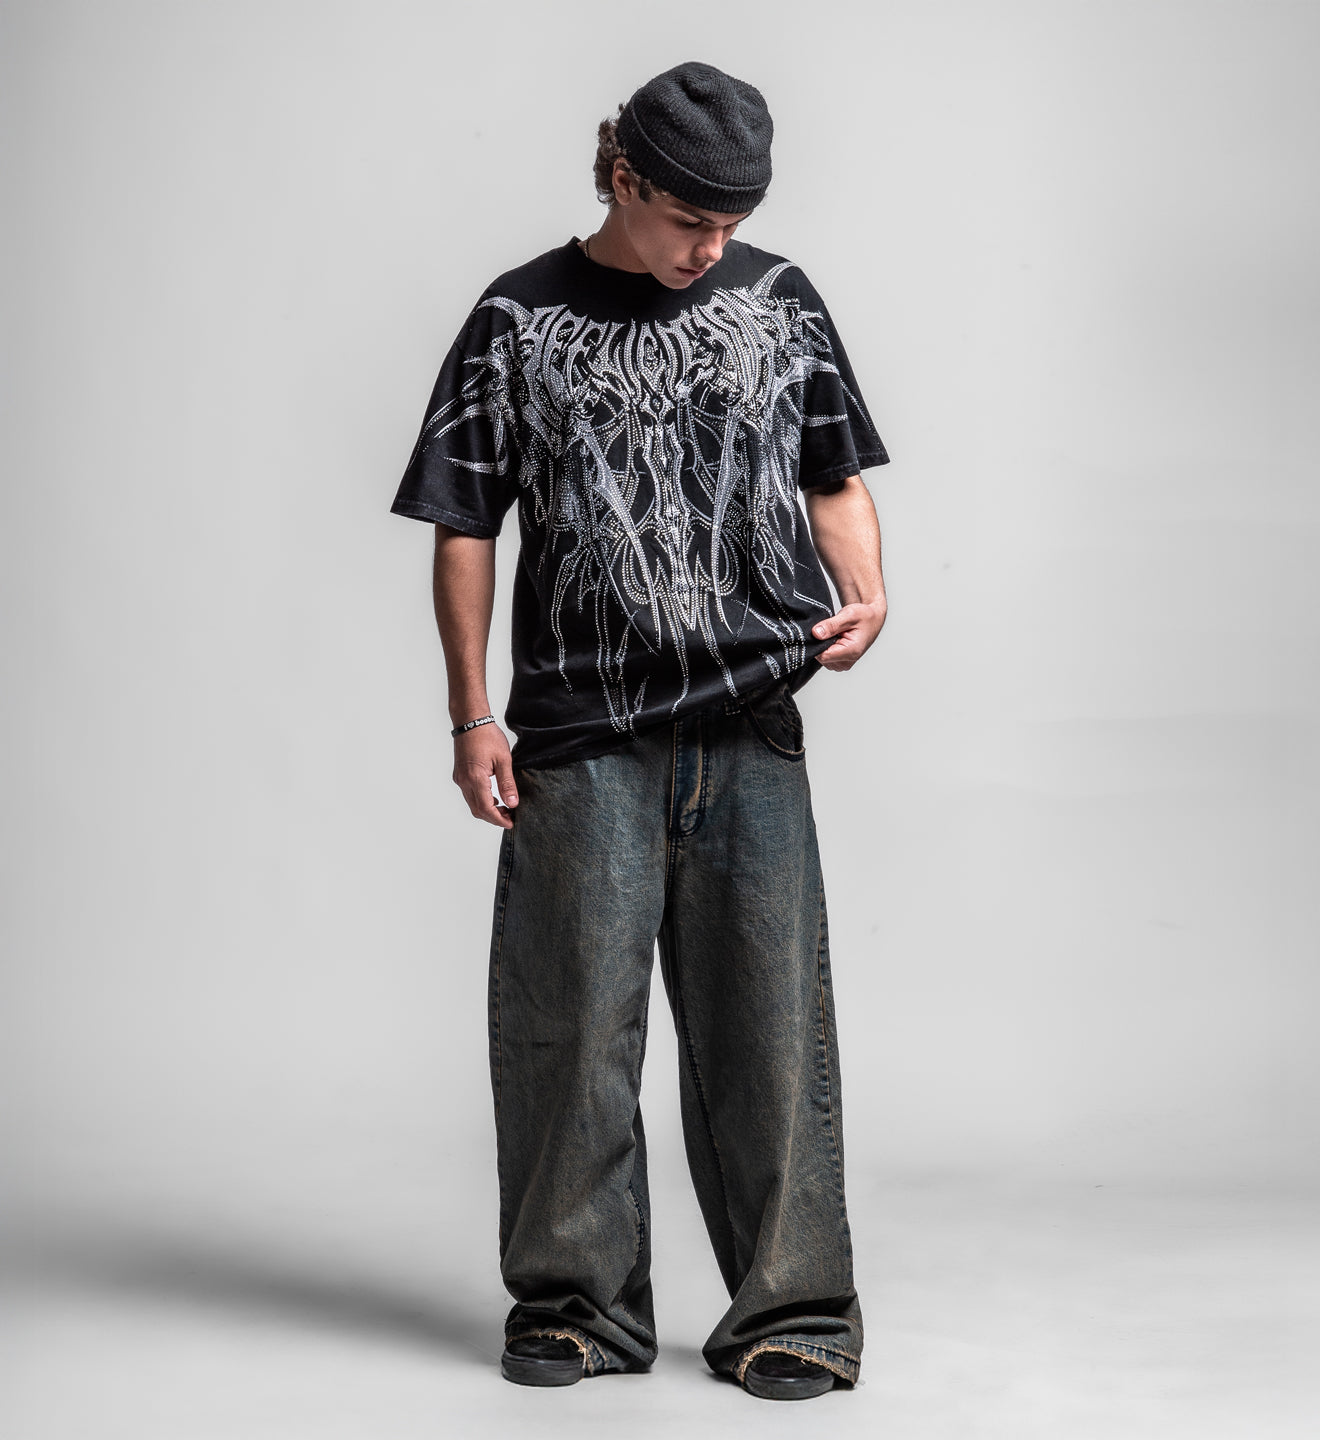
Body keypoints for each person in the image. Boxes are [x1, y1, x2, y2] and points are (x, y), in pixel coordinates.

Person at [390, 60, 890, 1402]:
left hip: (749, 718)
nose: (711, 248)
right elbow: (463, 525)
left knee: (771, 1033)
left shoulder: (782, 303)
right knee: (569, 1032)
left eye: (733, 224)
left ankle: (798, 1312)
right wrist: (471, 713)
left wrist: (872, 592)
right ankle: (578, 1305)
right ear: (624, 177)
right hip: (580, 731)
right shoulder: (516, 319)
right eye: (689, 221)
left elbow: (834, 473)